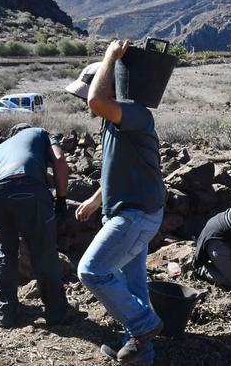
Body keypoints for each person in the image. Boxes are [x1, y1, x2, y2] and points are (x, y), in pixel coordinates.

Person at [74, 40, 167, 366]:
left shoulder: (135, 114)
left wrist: (111, 56)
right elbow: (120, 171)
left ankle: (145, 325)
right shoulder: (115, 121)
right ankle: (143, 355)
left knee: (91, 271)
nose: (84, 102)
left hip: (136, 215)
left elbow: (97, 100)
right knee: (133, 285)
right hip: (131, 211)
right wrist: (96, 199)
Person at [0, 123, 76, 327]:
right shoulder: (41, 133)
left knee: (6, 251)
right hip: (26, 185)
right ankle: (57, 313)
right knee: (43, 250)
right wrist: (61, 198)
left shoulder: (3, 146)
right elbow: (59, 159)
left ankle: (6, 313)